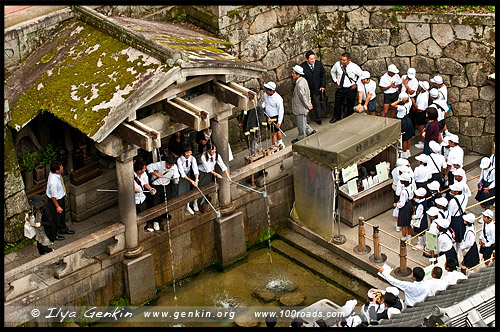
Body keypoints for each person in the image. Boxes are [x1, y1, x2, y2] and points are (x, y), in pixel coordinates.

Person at [196, 143, 231, 209]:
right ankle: (195, 203)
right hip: (202, 172)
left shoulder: (217, 155)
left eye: (215, 150)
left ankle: (203, 201)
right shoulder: (203, 157)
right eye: (212, 150)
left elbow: (223, 166)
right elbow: (207, 169)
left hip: (210, 174)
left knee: (206, 188)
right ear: (208, 150)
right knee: (199, 187)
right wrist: (216, 174)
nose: (214, 151)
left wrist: (227, 176)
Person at [330, 52, 362, 123]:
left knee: (350, 103)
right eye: (341, 59)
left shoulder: (354, 67)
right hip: (340, 87)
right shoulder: (337, 65)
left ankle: (349, 117)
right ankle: (336, 116)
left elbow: (361, 75)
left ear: (349, 60)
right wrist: (335, 81)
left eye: (344, 60)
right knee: (338, 103)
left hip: (350, 88)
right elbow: (332, 72)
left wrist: (356, 84)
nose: (342, 61)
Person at [46, 160, 75, 237]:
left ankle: (63, 229)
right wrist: (57, 206)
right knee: (55, 218)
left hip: (60, 197)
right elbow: (53, 197)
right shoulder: (53, 182)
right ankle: (54, 234)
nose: (62, 167)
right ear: (56, 170)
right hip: (55, 201)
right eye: (61, 167)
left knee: (62, 216)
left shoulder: (55, 174)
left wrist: (63, 193)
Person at [291, 65, 316, 144]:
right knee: (303, 121)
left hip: (300, 107)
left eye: (294, 73)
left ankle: (302, 137)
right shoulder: (304, 80)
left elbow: (303, 96)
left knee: (300, 123)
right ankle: (310, 131)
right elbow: (308, 92)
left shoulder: (299, 84)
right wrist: (309, 102)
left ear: (298, 74)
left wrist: (307, 104)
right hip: (303, 106)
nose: (292, 74)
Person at [300, 50, 326, 125]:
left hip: (316, 88)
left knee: (317, 104)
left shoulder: (318, 64)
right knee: (306, 105)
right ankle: (307, 120)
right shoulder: (303, 67)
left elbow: (323, 74)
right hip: (307, 89)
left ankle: (318, 118)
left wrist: (322, 85)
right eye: (311, 59)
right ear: (307, 59)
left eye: (314, 58)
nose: (313, 60)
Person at [238, 91, 265, 155]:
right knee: (250, 145)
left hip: (254, 129)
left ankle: (255, 157)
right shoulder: (246, 104)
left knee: (254, 146)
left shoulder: (258, 106)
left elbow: (260, 121)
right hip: (247, 127)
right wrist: (241, 122)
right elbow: (243, 114)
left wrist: (257, 134)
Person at [177, 143, 199, 215]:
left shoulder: (192, 158)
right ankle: (182, 207)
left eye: (190, 152)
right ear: (184, 152)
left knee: (188, 190)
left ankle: (188, 205)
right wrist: (191, 181)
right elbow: (182, 174)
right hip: (182, 176)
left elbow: (195, 169)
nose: (189, 154)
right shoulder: (179, 160)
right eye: (187, 152)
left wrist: (196, 179)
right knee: (182, 191)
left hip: (189, 174)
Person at [447, 183, 468, 259]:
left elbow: (450, 212)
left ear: (457, 192)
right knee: (459, 237)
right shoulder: (465, 197)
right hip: (461, 217)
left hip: (454, 219)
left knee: (452, 235)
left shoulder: (453, 201)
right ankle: (457, 250)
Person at [262, 81, 285, 147]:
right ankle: (279, 143)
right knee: (276, 131)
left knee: (273, 133)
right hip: (269, 116)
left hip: (276, 117)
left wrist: (279, 122)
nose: (265, 91)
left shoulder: (278, 99)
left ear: (272, 91)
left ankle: (274, 145)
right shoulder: (265, 95)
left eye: (267, 90)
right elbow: (265, 102)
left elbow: (281, 111)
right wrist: (262, 107)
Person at [392, 92, 414, 158]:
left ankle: (404, 153)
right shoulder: (409, 103)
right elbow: (409, 96)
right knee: (409, 137)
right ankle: (408, 150)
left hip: (403, 122)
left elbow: (393, 105)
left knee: (404, 138)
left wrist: (400, 100)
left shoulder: (402, 108)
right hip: (408, 120)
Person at [395, 172, 414, 239]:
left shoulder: (403, 191)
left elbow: (402, 203)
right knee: (409, 223)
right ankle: (409, 238)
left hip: (405, 207)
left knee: (403, 224)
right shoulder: (411, 186)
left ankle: (403, 238)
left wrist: (397, 204)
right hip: (409, 204)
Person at [414, 81, 430, 149]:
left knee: (422, 130)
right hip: (421, 113)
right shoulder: (425, 92)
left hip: (421, 114)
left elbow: (419, 109)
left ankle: (423, 143)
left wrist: (413, 102)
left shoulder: (423, 98)